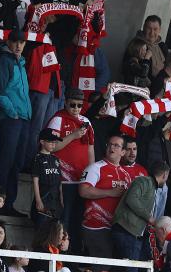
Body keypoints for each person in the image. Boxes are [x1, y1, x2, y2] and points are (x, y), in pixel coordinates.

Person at [0, 30, 32, 217]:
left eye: (21, 43)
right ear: (8, 42)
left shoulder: (20, 63)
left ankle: (8, 204)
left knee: (16, 163)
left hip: (22, 119)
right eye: (15, 42)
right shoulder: (4, 61)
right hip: (11, 120)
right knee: (6, 162)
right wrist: (13, 113)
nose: (18, 46)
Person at [46, 89, 94, 251]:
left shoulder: (86, 121)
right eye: (72, 104)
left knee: (77, 221)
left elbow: (90, 149)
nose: (76, 108)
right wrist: (73, 136)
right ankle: (58, 256)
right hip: (63, 179)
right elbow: (51, 146)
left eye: (79, 105)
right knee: (63, 220)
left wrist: (92, 176)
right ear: (65, 102)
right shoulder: (58, 119)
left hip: (81, 180)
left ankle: (72, 259)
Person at [112, 161, 169, 272]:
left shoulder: (150, 186)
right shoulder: (143, 181)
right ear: (165, 175)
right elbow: (131, 199)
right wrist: (149, 218)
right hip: (126, 231)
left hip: (135, 234)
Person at [79, 134, 129, 262]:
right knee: (102, 268)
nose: (112, 147)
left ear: (123, 152)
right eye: (110, 144)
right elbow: (83, 191)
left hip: (117, 229)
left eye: (116, 145)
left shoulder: (126, 174)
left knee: (114, 270)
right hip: (96, 226)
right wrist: (109, 192)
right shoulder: (95, 167)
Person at [30, 129, 63, 226]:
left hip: (55, 200)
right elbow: (35, 180)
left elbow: (59, 181)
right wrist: (38, 200)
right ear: (42, 142)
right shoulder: (37, 158)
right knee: (41, 230)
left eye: (55, 142)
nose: (53, 145)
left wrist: (61, 199)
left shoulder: (55, 159)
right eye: (50, 142)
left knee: (54, 229)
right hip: (44, 197)